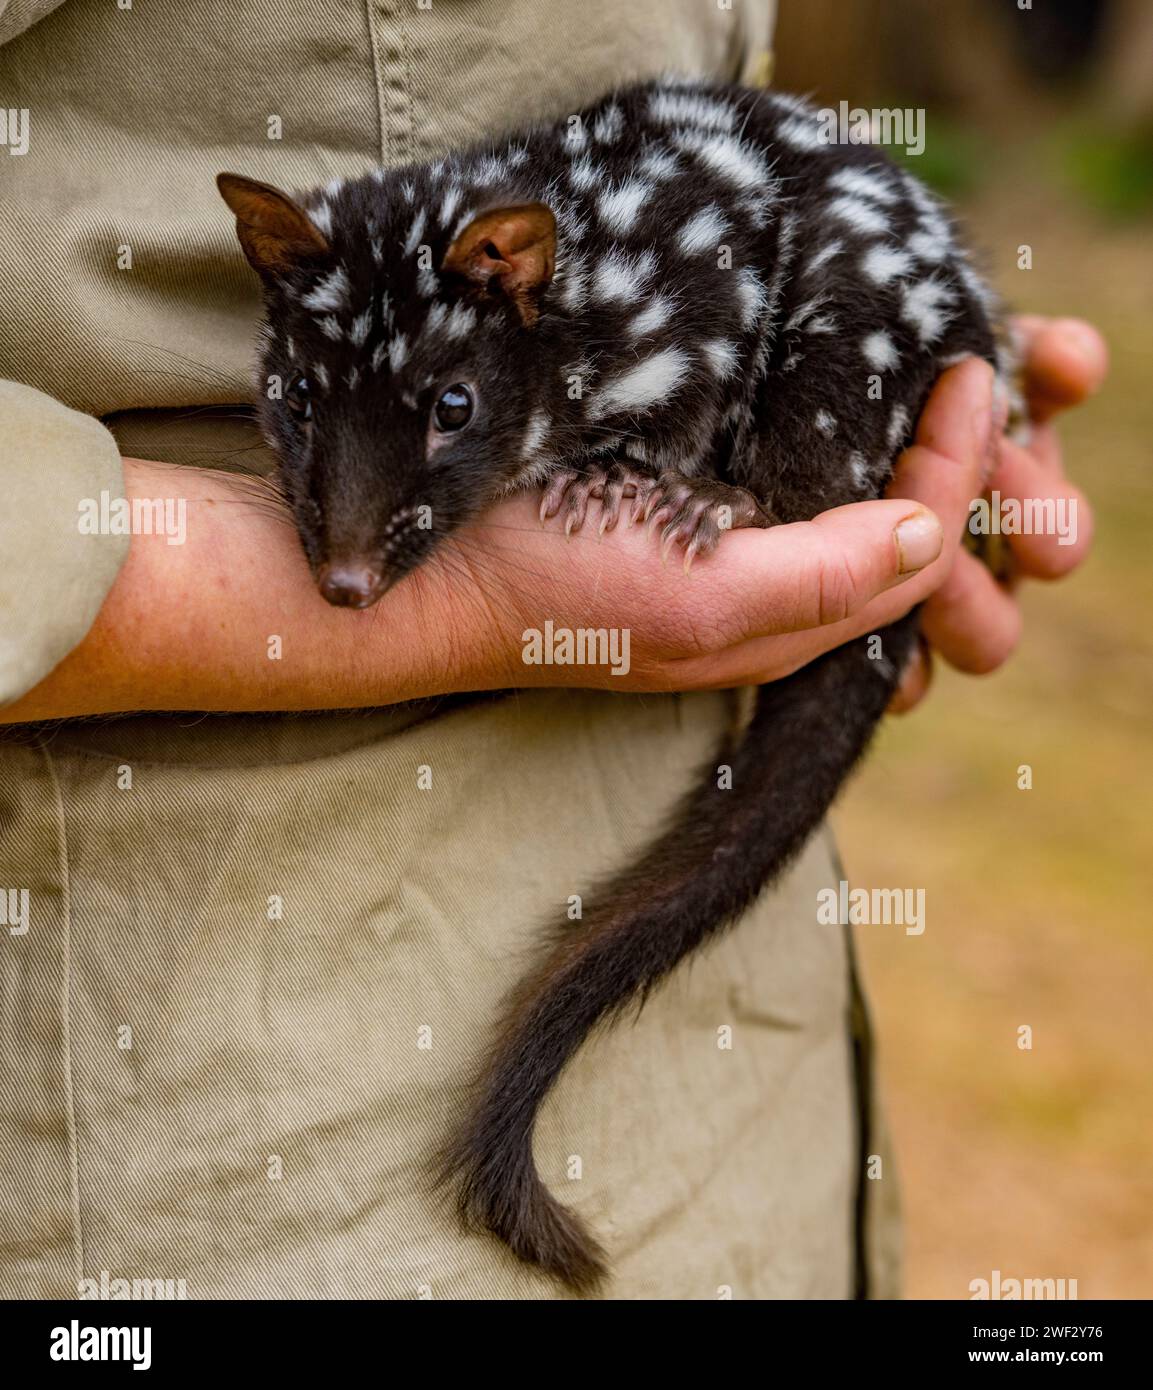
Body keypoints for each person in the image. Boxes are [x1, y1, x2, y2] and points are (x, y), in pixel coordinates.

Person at [0, 0, 1105, 1298]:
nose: (346, 561)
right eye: (298, 416)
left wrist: (915, 464)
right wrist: (490, 601)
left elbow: (745, 204)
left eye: (444, 416)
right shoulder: (496, 339)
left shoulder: (585, 319)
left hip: (740, 1114)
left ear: (519, 294)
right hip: (258, 1167)